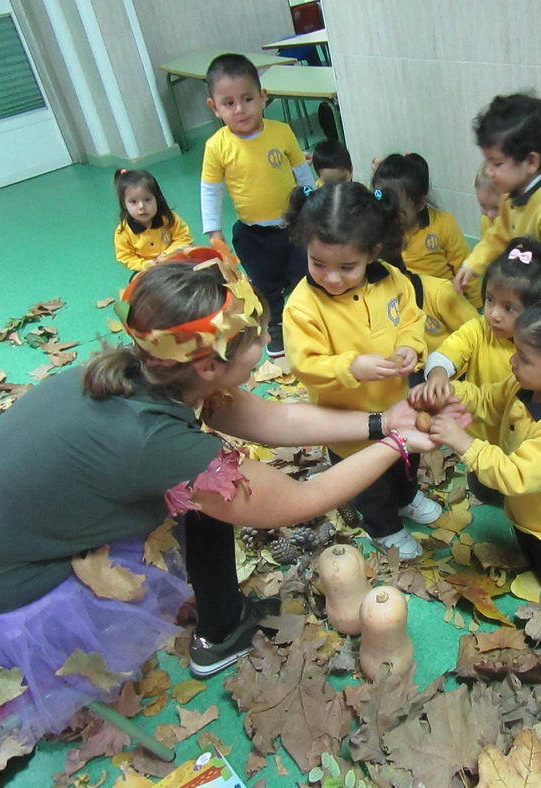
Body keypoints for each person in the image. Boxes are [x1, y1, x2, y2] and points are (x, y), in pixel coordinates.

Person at [0, 245, 461, 758]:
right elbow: (300, 499)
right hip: (1, 590)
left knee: (210, 491)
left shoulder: (144, 370)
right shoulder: (158, 442)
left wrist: (380, 421)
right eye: (258, 341)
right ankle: (221, 634)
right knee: (212, 494)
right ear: (208, 366)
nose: (266, 350)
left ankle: (220, 614)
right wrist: (397, 444)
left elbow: (270, 419)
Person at [417, 282, 541, 599]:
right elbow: (486, 400)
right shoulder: (521, 384)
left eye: (523, 357)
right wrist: (449, 391)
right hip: (530, 512)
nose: (512, 362)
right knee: (529, 550)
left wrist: (464, 444)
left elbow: (514, 477)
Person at [283, 182, 438, 560]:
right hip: (348, 424)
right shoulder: (303, 306)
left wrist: (409, 347)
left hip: (398, 407)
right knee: (370, 483)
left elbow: (412, 319)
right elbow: (306, 364)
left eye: (346, 267)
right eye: (318, 263)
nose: (331, 277)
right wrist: (350, 366)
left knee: (404, 462)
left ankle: (405, 497)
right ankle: (382, 526)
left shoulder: (392, 281)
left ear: (373, 252)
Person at [418, 237, 541, 503]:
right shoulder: (480, 329)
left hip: (523, 437)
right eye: (490, 300)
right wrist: (438, 373)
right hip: (483, 432)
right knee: (484, 481)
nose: (493, 313)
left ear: (536, 311)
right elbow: (450, 351)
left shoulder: (540, 347)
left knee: (518, 484)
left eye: (509, 308)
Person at [200, 53, 315, 359]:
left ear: (263, 98)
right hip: (252, 234)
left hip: (295, 225)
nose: (240, 109)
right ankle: (275, 326)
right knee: (265, 284)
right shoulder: (217, 146)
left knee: (305, 274)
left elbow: (301, 173)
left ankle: (308, 322)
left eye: (248, 98)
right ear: (214, 107)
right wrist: (214, 231)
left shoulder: (281, 132)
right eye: (228, 103)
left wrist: (312, 202)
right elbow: (210, 189)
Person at [453, 93, 541, 301]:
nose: (489, 171)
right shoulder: (510, 195)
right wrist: (473, 263)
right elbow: (499, 236)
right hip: (530, 289)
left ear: (531, 162)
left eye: (497, 164)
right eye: (487, 162)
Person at [371, 153, 482, 305]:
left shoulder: (443, 224)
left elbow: (466, 269)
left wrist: (478, 307)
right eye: (383, 207)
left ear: (420, 203)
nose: (388, 215)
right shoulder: (376, 227)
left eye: (396, 210)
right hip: (401, 303)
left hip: (441, 303)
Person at [112, 169, 192, 272]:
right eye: (133, 202)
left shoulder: (169, 218)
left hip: (174, 262)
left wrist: (167, 254)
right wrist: (144, 265)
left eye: (147, 199)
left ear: (157, 199)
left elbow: (184, 238)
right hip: (146, 271)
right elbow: (126, 257)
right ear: (124, 204)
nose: (141, 206)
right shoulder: (122, 232)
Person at [474, 163, 500, 239]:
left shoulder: (516, 223)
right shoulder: (485, 220)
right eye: (483, 205)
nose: (490, 214)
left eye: (496, 208)